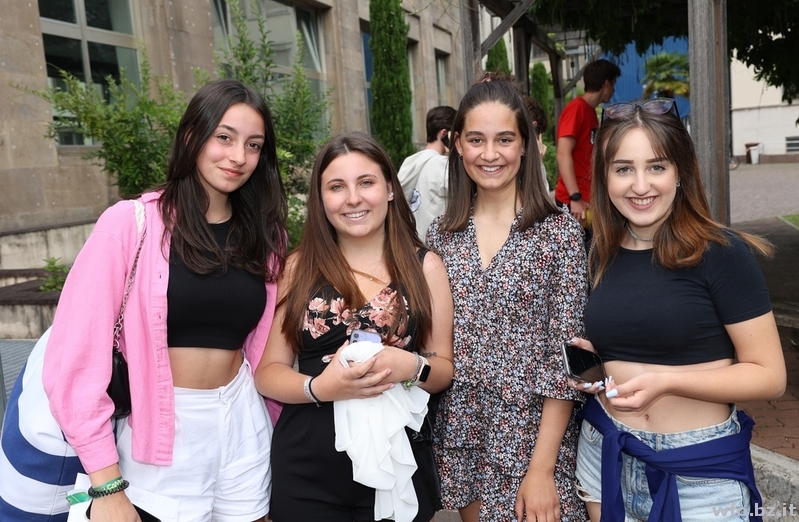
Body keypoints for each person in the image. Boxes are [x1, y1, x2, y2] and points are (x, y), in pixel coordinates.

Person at [41, 79, 287, 522]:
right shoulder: (129, 224)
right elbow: (75, 360)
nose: (238, 156)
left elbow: (265, 346)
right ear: (192, 136)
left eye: (253, 145)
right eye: (224, 137)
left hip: (242, 418)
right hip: (160, 432)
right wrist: (106, 485)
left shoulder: (266, 237)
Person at [571, 99, 786, 522]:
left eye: (656, 166)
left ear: (680, 172)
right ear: (604, 177)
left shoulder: (721, 253)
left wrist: (667, 382)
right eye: (623, 169)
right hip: (605, 456)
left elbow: (770, 376)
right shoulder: (597, 250)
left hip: (700, 473)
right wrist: (599, 363)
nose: (640, 185)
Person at [255, 132, 454, 522]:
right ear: (321, 198)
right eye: (336, 187)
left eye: (366, 182)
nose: (353, 198)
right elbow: (268, 372)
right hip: (307, 469)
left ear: (390, 189)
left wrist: (412, 367)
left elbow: (443, 369)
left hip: (396, 464)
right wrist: (320, 388)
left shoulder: (425, 267)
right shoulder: (298, 267)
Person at [427, 78, 589, 522]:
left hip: (536, 437)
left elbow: (565, 358)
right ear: (458, 145)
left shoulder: (558, 233)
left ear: (525, 145)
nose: (490, 154)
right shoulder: (441, 235)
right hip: (465, 432)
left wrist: (542, 469)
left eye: (504, 139)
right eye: (476, 139)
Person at [554, 59, 621, 228]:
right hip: (573, 201)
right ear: (606, 83)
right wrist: (575, 197)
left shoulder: (589, 111)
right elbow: (562, 153)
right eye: (613, 84)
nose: (614, 90)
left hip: (585, 200)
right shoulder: (576, 109)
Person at [397, 106, 457, 239]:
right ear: (444, 133)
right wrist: (456, 151)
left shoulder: (409, 162)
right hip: (436, 245)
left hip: (413, 242)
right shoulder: (442, 165)